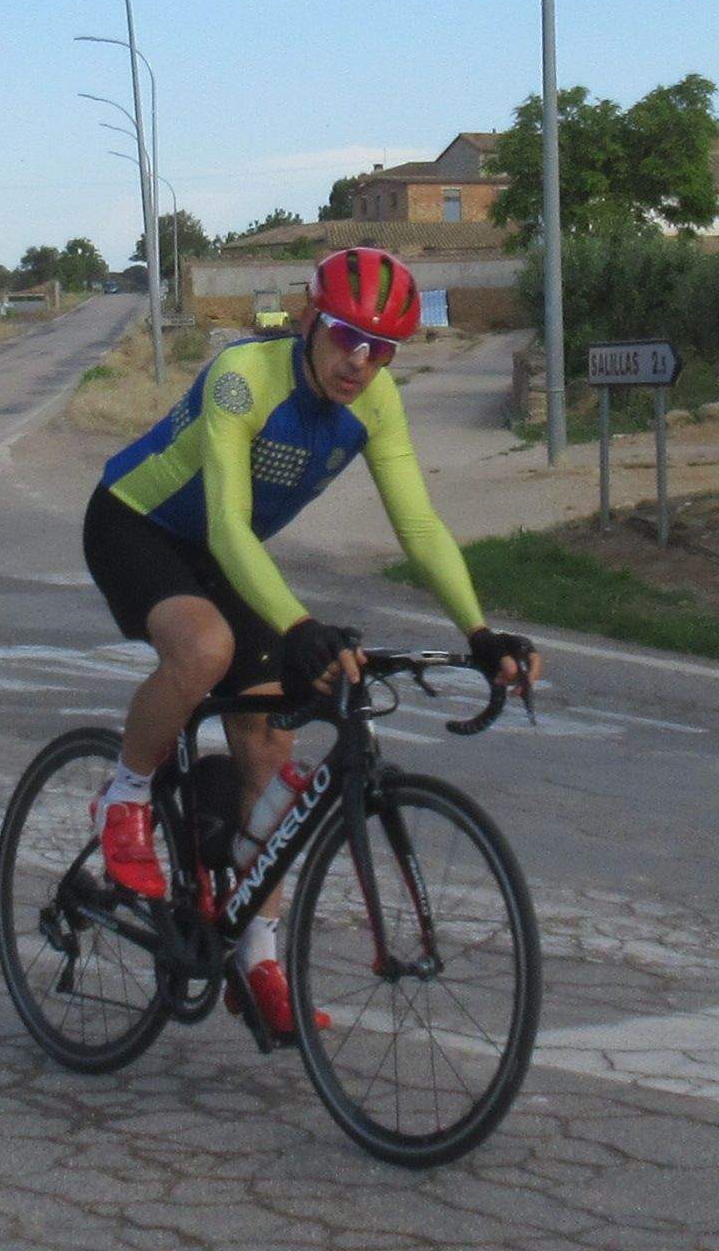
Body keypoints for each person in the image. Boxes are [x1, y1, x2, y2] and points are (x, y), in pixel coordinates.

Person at [82, 247, 541, 1037]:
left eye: (381, 347)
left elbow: (420, 526)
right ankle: (124, 795)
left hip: (231, 556)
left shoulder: (377, 403)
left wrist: (478, 629)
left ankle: (253, 952)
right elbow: (226, 524)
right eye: (344, 336)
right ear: (306, 318)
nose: (359, 362)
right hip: (137, 524)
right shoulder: (242, 377)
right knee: (204, 650)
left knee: (268, 748)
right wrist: (297, 626)